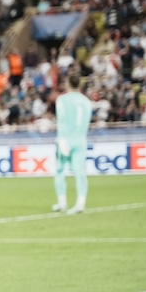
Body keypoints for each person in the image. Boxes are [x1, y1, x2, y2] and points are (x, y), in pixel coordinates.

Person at [53, 71, 92, 214]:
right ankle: (80, 203)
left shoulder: (62, 100)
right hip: (81, 140)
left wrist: (62, 139)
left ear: (67, 84)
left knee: (59, 171)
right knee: (80, 172)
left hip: (66, 139)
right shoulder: (86, 101)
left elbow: (61, 120)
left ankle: (62, 203)